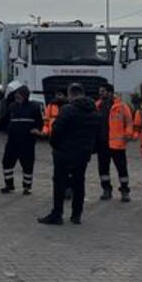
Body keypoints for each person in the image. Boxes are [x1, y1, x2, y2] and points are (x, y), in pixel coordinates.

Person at [39, 83, 99, 225]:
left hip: (64, 153)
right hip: (83, 153)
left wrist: (55, 146)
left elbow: (57, 131)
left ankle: (57, 214)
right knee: (79, 182)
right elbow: (97, 132)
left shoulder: (67, 110)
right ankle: (76, 214)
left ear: (71, 94)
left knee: (60, 183)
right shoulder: (93, 110)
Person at [0, 81, 43, 195]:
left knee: (27, 164)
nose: (17, 98)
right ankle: (9, 185)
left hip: (27, 141)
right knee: (7, 162)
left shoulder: (34, 107)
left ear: (25, 96)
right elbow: (4, 120)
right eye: (16, 96)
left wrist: (37, 130)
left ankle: (27, 187)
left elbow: (40, 122)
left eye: (19, 96)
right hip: (13, 140)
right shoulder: (12, 107)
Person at [94, 85, 134, 202]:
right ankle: (106, 189)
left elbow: (129, 121)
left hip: (117, 143)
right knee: (103, 168)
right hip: (102, 143)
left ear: (110, 92)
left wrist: (128, 134)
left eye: (103, 91)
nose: (100, 94)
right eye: (99, 92)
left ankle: (124, 190)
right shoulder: (97, 106)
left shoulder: (121, 106)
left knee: (122, 168)